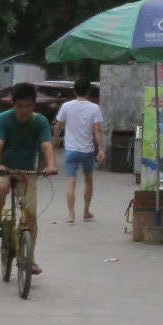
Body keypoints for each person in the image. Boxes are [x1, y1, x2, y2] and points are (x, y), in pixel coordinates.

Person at [0, 84, 57, 273]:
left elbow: (47, 145)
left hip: (27, 172)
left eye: (29, 106)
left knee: (31, 215)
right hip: (4, 169)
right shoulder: (3, 119)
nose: (25, 110)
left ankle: (29, 257)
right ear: (13, 104)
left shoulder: (40, 122)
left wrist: (50, 165)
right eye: (20, 106)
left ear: (34, 105)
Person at [55, 78, 105, 223]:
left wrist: (55, 141)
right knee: (88, 180)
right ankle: (86, 211)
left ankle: (71, 215)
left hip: (71, 150)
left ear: (74, 90)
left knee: (71, 181)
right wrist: (101, 149)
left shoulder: (66, 106)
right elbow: (97, 130)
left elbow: (59, 126)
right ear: (89, 91)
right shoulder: (94, 108)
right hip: (87, 150)